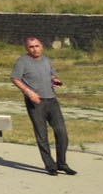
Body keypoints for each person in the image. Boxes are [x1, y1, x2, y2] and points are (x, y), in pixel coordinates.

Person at [11, 35, 76, 175]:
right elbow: (15, 78)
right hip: (36, 102)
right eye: (31, 47)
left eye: (37, 46)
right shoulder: (22, 61)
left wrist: (55, 80)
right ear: (27, 48)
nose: (35, 49)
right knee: (42, 135)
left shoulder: (46, 60)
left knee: (61, 132)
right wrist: (28, 92)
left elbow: (52, 75)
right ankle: (50, 165)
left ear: (42, 46)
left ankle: (62, 163)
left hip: (52, 101)